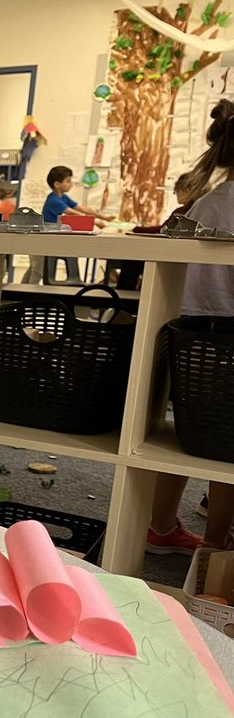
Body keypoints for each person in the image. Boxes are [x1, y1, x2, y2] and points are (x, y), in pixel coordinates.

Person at [146, 100, 234, 557]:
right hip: (227, 335)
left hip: (190, 332)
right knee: (227, 449)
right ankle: (217, 544)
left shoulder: (206, 201)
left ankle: (160, 526)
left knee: (183, 435)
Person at [22, 165, 113, 283]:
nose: (71, 184)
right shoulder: (53, 200)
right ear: (57, 184)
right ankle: (27, 294)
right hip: (40, 239)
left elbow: (83, 209)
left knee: (35, 268)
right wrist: (95, 222)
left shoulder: (63, 198)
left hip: (45, 240)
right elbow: (73, 213)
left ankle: (22, 291)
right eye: (68, 181)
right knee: (38, 270)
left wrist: (105, 217)